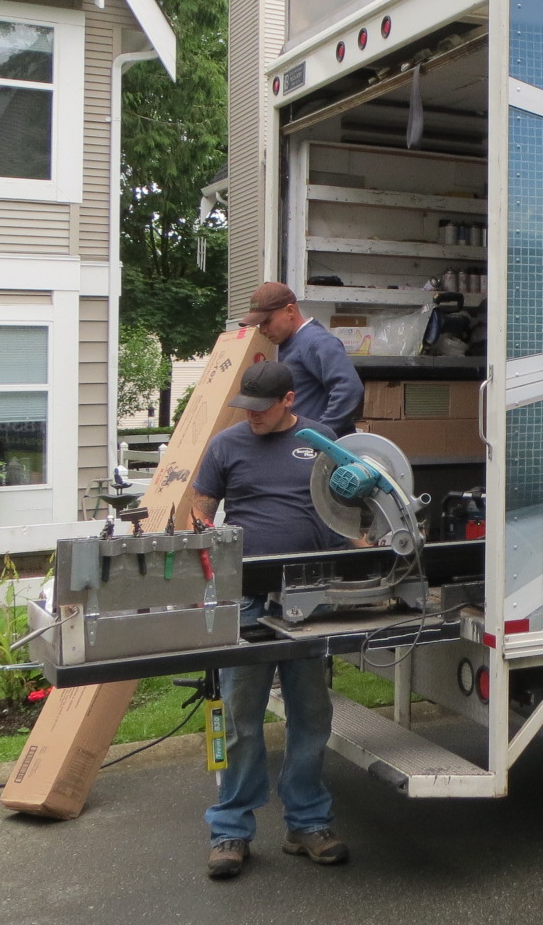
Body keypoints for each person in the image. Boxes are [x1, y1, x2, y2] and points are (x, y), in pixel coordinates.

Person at [190, 361, 350, 879]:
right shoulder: (227, 446)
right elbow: (200, 507)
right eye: (247, 409)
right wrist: (206, 549)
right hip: (246, 599)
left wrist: (358, 545)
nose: (252, 418)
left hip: (308, 597)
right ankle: (230, 831)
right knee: (241, 718)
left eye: (263, 409)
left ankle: (306, 823)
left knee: (311, 716)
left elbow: (348, 502)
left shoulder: (322, 441)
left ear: (288, 399)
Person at [240, 281, 363, 438]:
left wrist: (319, 436)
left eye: (267, 321)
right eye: (259, 324)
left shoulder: (316, 341)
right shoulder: (286, 342)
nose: (263, 330)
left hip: (318, 453)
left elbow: (349, 389)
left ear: (290, 311)